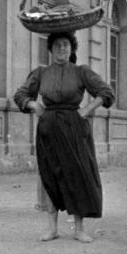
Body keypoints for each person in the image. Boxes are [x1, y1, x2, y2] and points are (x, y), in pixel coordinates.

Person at [14, 31, 115, 242]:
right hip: (48, 129)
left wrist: (86, 110)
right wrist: (34, 105)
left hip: (75, 129)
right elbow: (20, 95)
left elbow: (106, 92)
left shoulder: (81, 72)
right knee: (50, 175)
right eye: (58, 45)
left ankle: (79, 228)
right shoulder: (41, 73)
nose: (62, 49)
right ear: (50, 49)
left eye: (66, 45)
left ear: (72, 49)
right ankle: (52, 228)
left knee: (78, 174)